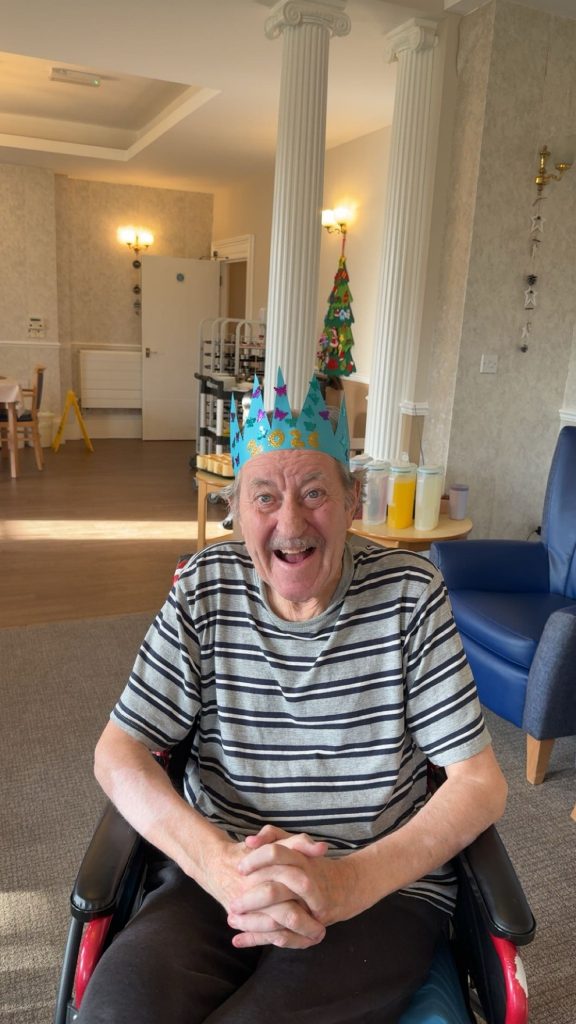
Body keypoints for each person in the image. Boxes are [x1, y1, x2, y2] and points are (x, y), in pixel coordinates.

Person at [78, 368, 507, 1024]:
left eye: (314, 492)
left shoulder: (410, 596)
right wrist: (220, 867)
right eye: (265, 497)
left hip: (379, 887)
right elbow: (119, 751)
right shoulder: (204, 588)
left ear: (353, 498)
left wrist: (349, 881)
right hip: (219, 877)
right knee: (118, 1009)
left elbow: (479, 783)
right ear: (235, 507)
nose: (290, 522)